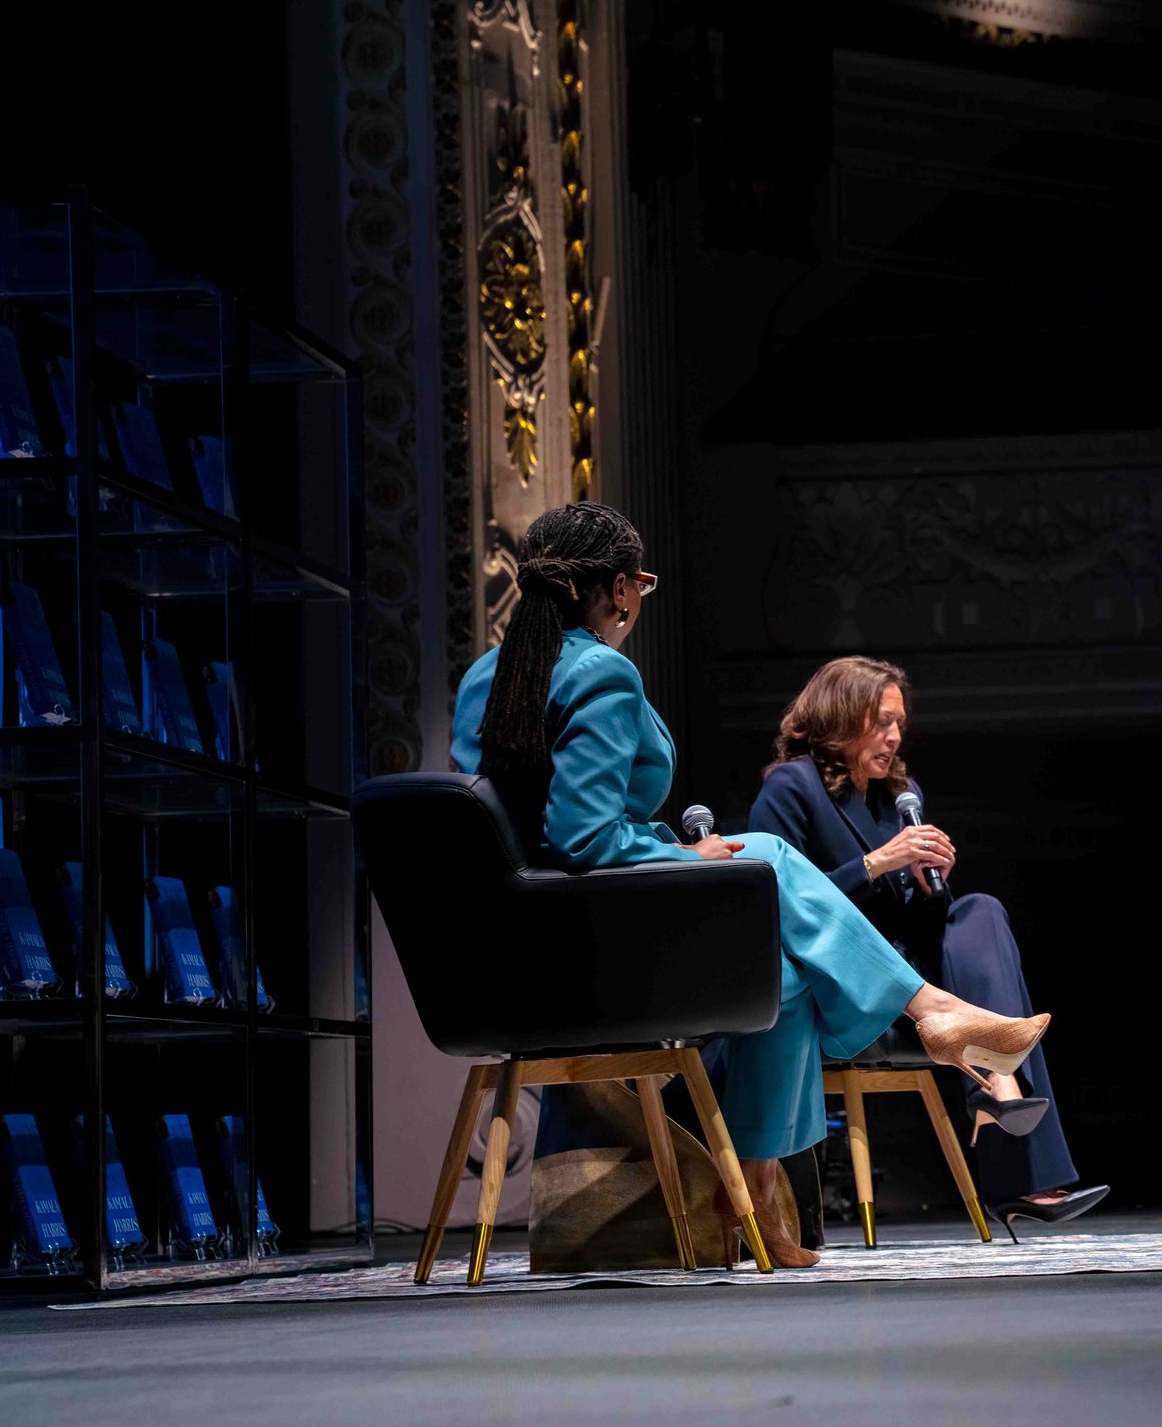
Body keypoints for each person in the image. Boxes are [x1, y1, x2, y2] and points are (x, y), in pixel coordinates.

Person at [449, 503, 1049, 1269]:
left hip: (528, 952)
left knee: (785, 973)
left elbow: (539, 836)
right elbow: (582, 840)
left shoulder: (484, 677)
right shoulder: (599, 671)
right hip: (595, 956)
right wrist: (684, 856)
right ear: (622, 591)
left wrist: (669, 848)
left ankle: (757, 1201)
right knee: (761, 851)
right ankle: (934, 1011)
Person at [747, 657, 1110, 1232]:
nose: (894, 736)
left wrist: (928, 888)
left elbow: (920, 923)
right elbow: (776, 901)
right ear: (841, 717)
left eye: (899, 724)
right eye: (881, 721)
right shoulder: (792, 786)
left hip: (911, 971)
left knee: (979, 910)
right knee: (971, 924)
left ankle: (1000, 1081)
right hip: (844, 980)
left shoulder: (901, 793)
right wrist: (877, 863)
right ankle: (1007, 1110)